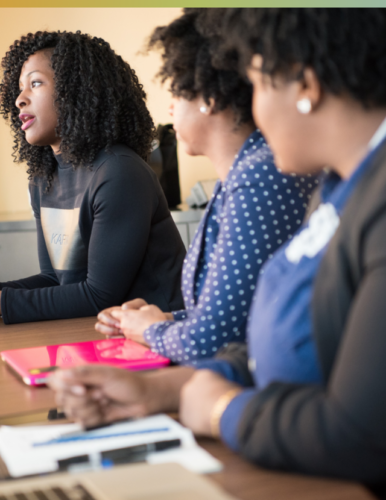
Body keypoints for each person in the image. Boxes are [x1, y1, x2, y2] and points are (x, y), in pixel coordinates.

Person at [50, 9, 386, 493]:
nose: (253, 108)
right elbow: (282, 347)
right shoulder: (336, 189)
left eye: (258, 85)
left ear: (306, 87)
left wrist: (219, 409)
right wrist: (158, 390)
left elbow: (358, 435)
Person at [94, 9, 317, 363]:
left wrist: (151, 331)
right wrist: (161, 319)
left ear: (208, 97)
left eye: (176, 93)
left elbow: (212, 341)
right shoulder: (244, 174)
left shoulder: (258, 177)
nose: (169, 107)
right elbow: (233, 317)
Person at [0, 30, 186, 324]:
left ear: (76, 90)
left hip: (159, 340)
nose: (19, 100)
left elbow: (100, 295)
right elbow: (54, 279)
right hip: (97, 331)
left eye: (35, 83)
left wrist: (3, 303)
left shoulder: (119, 171)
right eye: (19, 88)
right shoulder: (42, 178)